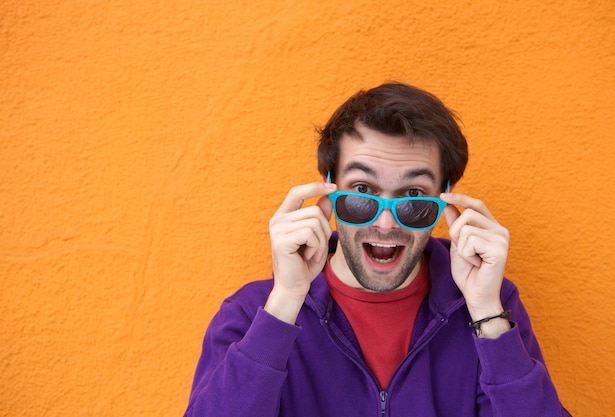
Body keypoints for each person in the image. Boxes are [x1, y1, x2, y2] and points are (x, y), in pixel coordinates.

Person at [183, 83, 571, 416]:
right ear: (327, 190)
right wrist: (285, 303)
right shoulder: (251, 314)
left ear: (446, 199)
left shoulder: (492, 305)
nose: (386, 223)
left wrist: (487, 313)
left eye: (413, 195)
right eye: (363, 191)